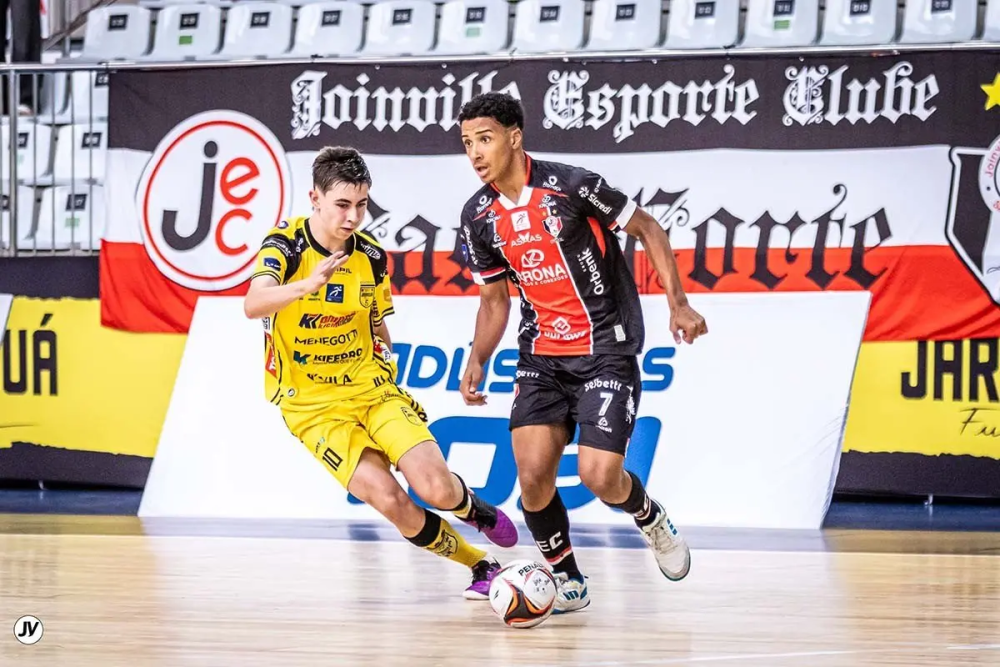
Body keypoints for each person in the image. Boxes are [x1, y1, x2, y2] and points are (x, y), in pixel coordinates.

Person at [455, 92, 708, 613]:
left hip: (605, 349)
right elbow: (495, 298)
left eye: (485, 139)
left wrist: (678, 305)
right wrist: (478, 356)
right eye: (467, 143)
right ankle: (568, 578)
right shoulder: (478, 215)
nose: (476, 153)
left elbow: (649, 228)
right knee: (531, 479)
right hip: (541, 359)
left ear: (514, 136)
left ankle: (650, 517)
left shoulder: (572, 186)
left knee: (599, 476)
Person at [244, 146, 518, 599]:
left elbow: (375, 321)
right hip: (312, 410)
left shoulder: (369, 255)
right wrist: (307, 285)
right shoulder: (285, 246)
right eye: (342, 205)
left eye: (362, 205)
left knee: (435, 488)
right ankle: (481, 565)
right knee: (392, 502)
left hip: (372, 390)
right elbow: (254, 304)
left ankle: (474, 509)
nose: (353, 217)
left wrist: (387, 358)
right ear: (315, 197)